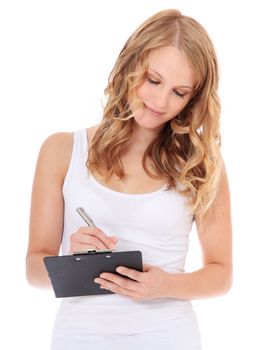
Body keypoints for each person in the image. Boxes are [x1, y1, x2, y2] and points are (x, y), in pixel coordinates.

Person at [26, 8, 232, 350]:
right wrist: (70, 262)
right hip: (80, 338)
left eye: (179, 92)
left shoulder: (201, 164)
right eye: (153, 80)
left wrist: (165, 286)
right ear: (129, 65)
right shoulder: (62, 150)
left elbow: (221, 274)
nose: (160, 101)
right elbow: (34, 271)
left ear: (193, 98)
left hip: (169, 337)